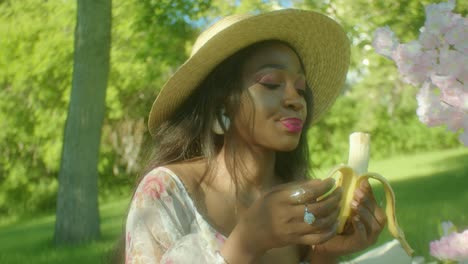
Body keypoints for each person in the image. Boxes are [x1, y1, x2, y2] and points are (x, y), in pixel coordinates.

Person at [124, 9, 387, 264]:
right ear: (221, 104)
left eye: (300, 88)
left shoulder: (303, 203)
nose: (296, 100)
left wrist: (326, 254)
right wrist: (247, 242)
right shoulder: (166, 193)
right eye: (272, 83)